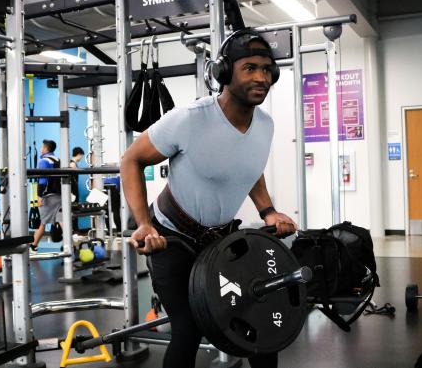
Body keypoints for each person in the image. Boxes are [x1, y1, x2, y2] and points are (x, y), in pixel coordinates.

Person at [120, 29, 297, 368]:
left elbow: (248, 166)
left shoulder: (265, 125)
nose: (261, 77)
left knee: (258, 323)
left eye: (266, 69)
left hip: (221, 240)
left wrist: (269, 210)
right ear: (225, 73)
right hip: (171, 238)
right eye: (250, 68)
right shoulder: (189, 119)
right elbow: (132, 159)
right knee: (188, 330)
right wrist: (143, 224)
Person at [30, 139, 62, 251]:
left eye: (42, 147)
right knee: (61, 221)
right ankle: (70, 245)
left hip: (48, 196)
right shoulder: (58, 160)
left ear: (45, 148)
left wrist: (39, 196)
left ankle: (34, 245)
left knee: (42, 223)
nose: (40, 149)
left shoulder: (44, 161)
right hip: (60, 195)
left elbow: (43, 180)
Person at [69, 147, 84, 231]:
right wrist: (71, 193)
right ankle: (74, 230)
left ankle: (75, 230)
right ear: (78, 154)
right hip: (73, 191)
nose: (81, 158)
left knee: (75, 210)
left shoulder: (74, 164)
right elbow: (71, 180)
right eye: (81, 156)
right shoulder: (72, 164)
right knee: (73, 210)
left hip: (74, 191)